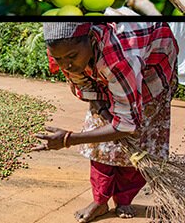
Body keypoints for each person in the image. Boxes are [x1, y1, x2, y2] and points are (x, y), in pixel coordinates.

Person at [34, 22, 178, 223]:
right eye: (59, 59)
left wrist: (68, 139)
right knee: (100, 144)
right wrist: (105, 112)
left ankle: (124, 198)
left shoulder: (121, 60)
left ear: (91, 40)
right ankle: (100, 200)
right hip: (111, 65)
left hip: (151, 68)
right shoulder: (63, 51)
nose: (66, 65)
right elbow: (84, 83)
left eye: (72, 57)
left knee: (140, 140)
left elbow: (127, 125)